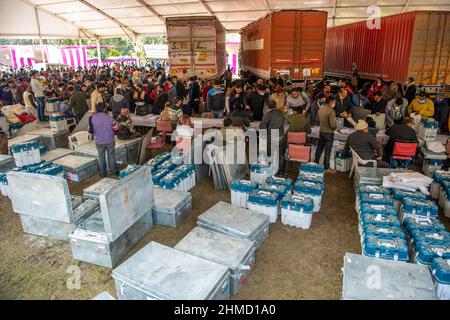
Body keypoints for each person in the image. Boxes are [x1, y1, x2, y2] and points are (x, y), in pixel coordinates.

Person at [88, 102, 117, 177]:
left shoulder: (91, 118)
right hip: (110, 140)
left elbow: (90, 131)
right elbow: (116, 129)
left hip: (99, 141)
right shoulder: (110, 117)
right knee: (111, 155)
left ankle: (103, 173)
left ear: (96, 109)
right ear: (104, 109)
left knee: (101, 157)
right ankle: (113, 170)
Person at [259, 100, 287, 174]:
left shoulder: (267, 115)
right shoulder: (281, 114)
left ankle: (271, 171)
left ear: (267, 107)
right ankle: (281, 172)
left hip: (271, 138)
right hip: (281, 137)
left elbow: (262, 127)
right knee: (281, 155)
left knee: (269, 155)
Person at [315, 96, 337, 173]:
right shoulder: (331, 111)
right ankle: (326, 168)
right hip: (329, 133)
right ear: (331, 102)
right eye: (334, 102)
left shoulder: (320, 109)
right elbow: (333, 125)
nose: (335, 103)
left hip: (321, 131)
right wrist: (335, 128)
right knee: (327, 150)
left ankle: (315, 163)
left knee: (319, 148)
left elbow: (317, 120)